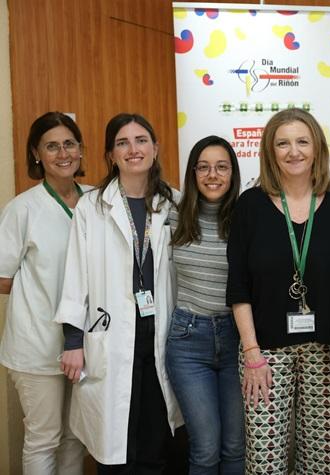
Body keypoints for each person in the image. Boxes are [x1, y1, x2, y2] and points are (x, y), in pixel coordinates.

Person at [226, 108, 330, 474]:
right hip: (264, 353)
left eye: (302, 141)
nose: (293, 151)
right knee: (265, 461)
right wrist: (252, 353)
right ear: (270, 151)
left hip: (327, 354)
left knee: (324, 460)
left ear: (317, 147)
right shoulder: (250, 207)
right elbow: (238, 288)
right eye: (282, 143)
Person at [55, 113, 183, 472]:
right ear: (111, 154)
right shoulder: (92, 207)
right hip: (110, 336)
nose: (133, 149)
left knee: (156, 437)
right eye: (122, 143)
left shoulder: (175, 202)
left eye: (141, 140)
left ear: (155, 148)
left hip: (161, 334)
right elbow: (75, 278)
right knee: (116, 442)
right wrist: (73, 342)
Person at [0, 112, 87, 475]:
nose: (62, 153)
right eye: (52, 146)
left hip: (86, 346)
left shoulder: (97, 200)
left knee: (76, 436)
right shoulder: (23, 208)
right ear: (37, 154)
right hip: (37, 346)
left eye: (69, 144)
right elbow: (3, 277)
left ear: (81, 150)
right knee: (44, 437)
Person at [165, 135, 245, 474]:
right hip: (188, 341)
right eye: (204, 167)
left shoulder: (247, 218)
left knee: (236, 447)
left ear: (233, 173)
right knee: (206, 447)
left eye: (222, 167)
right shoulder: (172, 215)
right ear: (193, 173)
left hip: (236, 339)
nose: (213, 175)